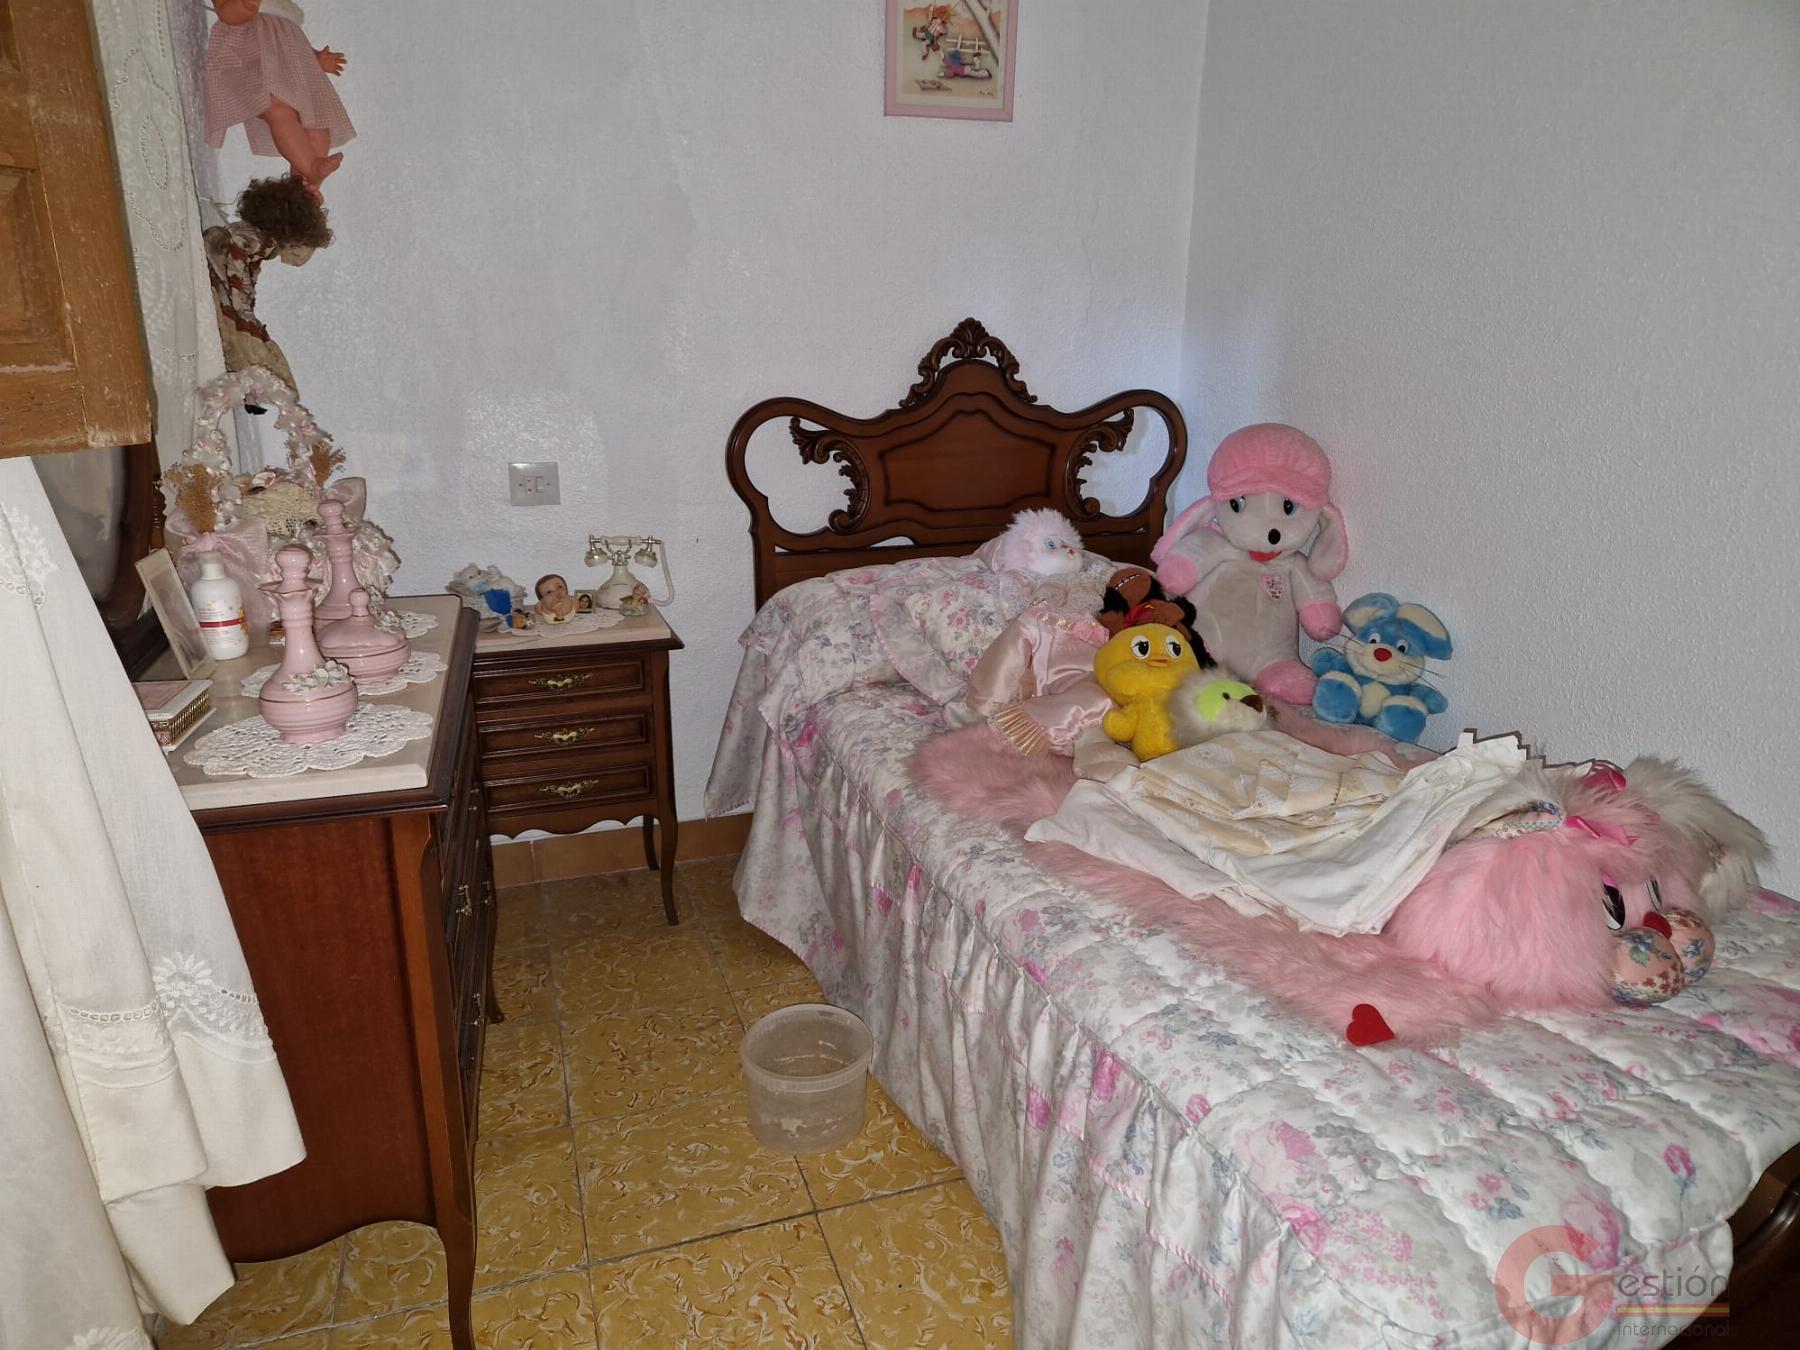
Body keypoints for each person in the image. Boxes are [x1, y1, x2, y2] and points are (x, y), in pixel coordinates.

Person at [205, 0, 354, 201]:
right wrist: (245, 6)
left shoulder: (284, 13)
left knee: (318, 127)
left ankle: (305, 188)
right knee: (277, 109)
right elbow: (227, 15)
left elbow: (291, 44)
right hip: (251, 64)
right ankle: (311, 167)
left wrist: (314, 59)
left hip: (288, 73)